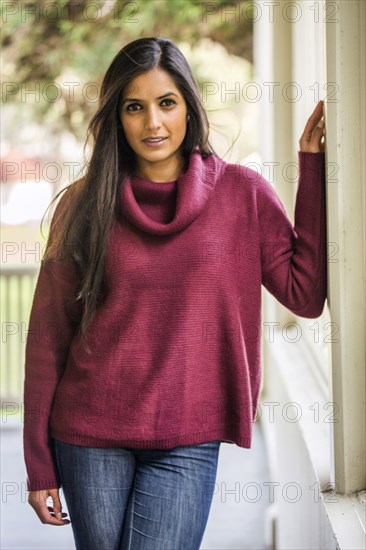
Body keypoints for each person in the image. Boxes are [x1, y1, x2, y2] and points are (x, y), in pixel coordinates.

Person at [23, 36, 327, 550]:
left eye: (166, 103)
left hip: (187, 434)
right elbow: (49, 337)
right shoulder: (84, 203)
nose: (153, 124)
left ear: (189, 107)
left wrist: (313, 168)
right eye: (134, 107)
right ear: (117, 118)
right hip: (89, 432)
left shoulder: (242, 195)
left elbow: (304, 293)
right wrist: (37, 464)